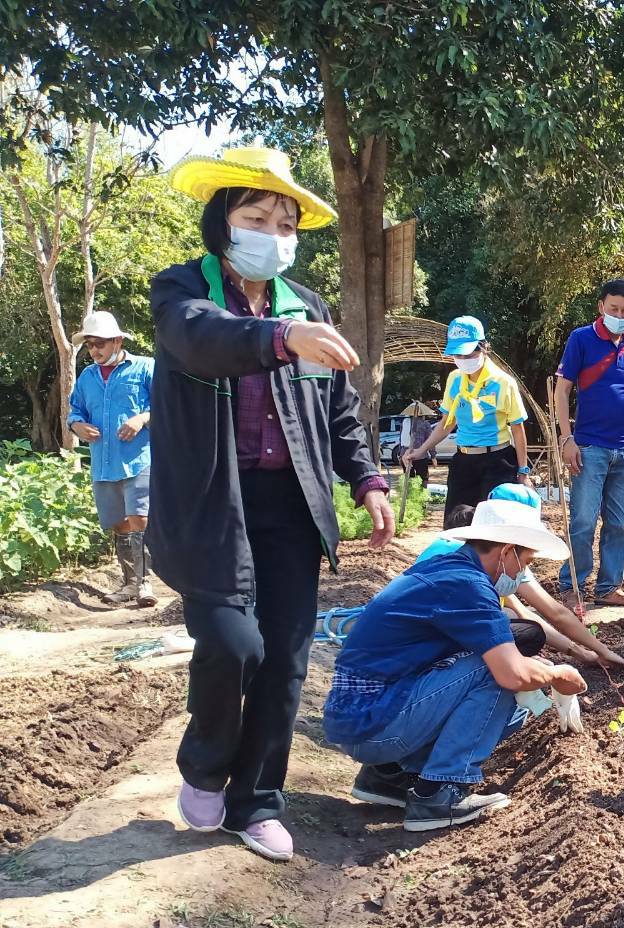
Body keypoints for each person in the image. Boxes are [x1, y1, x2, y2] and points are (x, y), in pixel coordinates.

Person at [152, 145, 393, 862]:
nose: (272, 232)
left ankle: (255, 803)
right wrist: (281, 339)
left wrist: (367, 479)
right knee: (233, 645)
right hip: (210, 504)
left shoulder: (307, 307)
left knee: (285, 659)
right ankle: (203, 765)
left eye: (285, 222)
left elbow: (340, 413)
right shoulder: (181, 292)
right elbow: (200, 342)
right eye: (255, 215)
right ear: (221, 223)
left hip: (290, 506)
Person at [323, 494, 587, 831]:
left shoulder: (446, 569)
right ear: (507, 551)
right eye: (526, 562)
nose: (523, 573)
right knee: (497, 671)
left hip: (358, 715)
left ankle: (391, 776)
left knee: (512, 696)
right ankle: (439, 794)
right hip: (371, 723)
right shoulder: (467, 586)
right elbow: (512, 673)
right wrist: (557, 674)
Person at [416, 487, 624, 670]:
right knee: (517, 630)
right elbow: (552, 615)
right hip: (425, 651)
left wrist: (586, 653)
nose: (525, 566)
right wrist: (523, 665)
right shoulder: (472, 573)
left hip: (426, 637)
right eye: (528, 558)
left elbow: (539, 613)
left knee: (515, 620)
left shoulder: (481, 553)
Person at [554, 279, 624, 610]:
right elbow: (562, 389)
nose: (619, 315)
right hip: (589, 447)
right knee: (582, 520)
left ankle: (609, 587)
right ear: (601, 307)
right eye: (613, 309)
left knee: (619, 523)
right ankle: (572, 586)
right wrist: (566, 438)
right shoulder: (581, 339)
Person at [66, 310, 157, 607]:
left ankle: (145, 584)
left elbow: (171, 405)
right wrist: (77, 425)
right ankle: (130, 583)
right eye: (90, 344)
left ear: (118, 340)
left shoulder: (145, 368)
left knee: (139, 519)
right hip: (103, 462)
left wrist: (142, 418)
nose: (95, 350)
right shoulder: (87, 376)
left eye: (101, 343)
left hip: (139, 458)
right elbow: (75, 411)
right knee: (119, 523)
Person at [402, 317, 530, 516]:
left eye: (468, 353)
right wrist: (422, 450)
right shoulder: (454, 379)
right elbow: (447, 422)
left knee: (491, 529)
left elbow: (517, 429)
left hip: (498, 461)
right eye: (457, 354)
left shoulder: (503, 382)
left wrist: (523, 472)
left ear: (483, 348)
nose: (462, 359)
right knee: (456, 524)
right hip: (463, 460)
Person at [401, 400, 439, 487]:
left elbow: (401, 439)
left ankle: (409, 498)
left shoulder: (405, 422)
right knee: (423, 480)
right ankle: (421, 497)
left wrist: (401, 454)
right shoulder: (425, 424)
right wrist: (433, 456)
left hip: (405, 456)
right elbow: (430, 441)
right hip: (420, 455)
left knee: (408, 480)